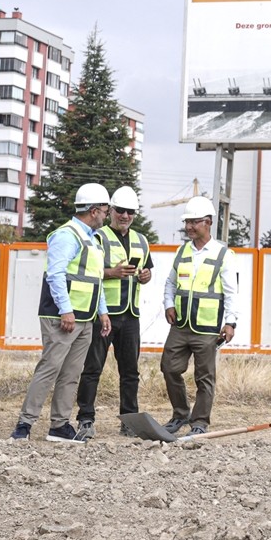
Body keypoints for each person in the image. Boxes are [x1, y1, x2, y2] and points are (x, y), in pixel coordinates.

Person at [11, 184, 112, 442]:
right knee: (50, 369)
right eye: (105, 209)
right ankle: (25, 424)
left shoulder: (93, 239)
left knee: (71, 374)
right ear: (93, 210)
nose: (107, 214)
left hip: (85, 317)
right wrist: (66, 310)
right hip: (62, 317)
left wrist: (102, 312)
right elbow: (55, 275)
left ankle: (59, 426)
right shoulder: (67, 236)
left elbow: (96, 279)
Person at [75, 186, 153, 438]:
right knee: (92, 368)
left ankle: (129, 420)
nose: (125, 215)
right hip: (103, 315)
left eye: (131, 212)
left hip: (130, 315)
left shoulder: (141, 241)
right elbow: (88, 272)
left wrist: (145, 276)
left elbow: (147, 272)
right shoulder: (98, 237)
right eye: (120, 210)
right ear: (110, 211)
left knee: (130, 371)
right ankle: (85, 419)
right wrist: (111, 273)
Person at [161, 196, 237, 436]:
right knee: (169, 368)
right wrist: (168, 305)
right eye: (187, 222)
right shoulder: (182, 251)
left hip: (207, 327)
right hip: (181, 324)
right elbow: (170, 283)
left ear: (208, 222)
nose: (189, 227)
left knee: (204, 377)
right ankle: (180, 415)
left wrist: (230, 322)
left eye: (194, 222)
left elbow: (232, 292)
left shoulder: (223, 254)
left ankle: (200, 422)